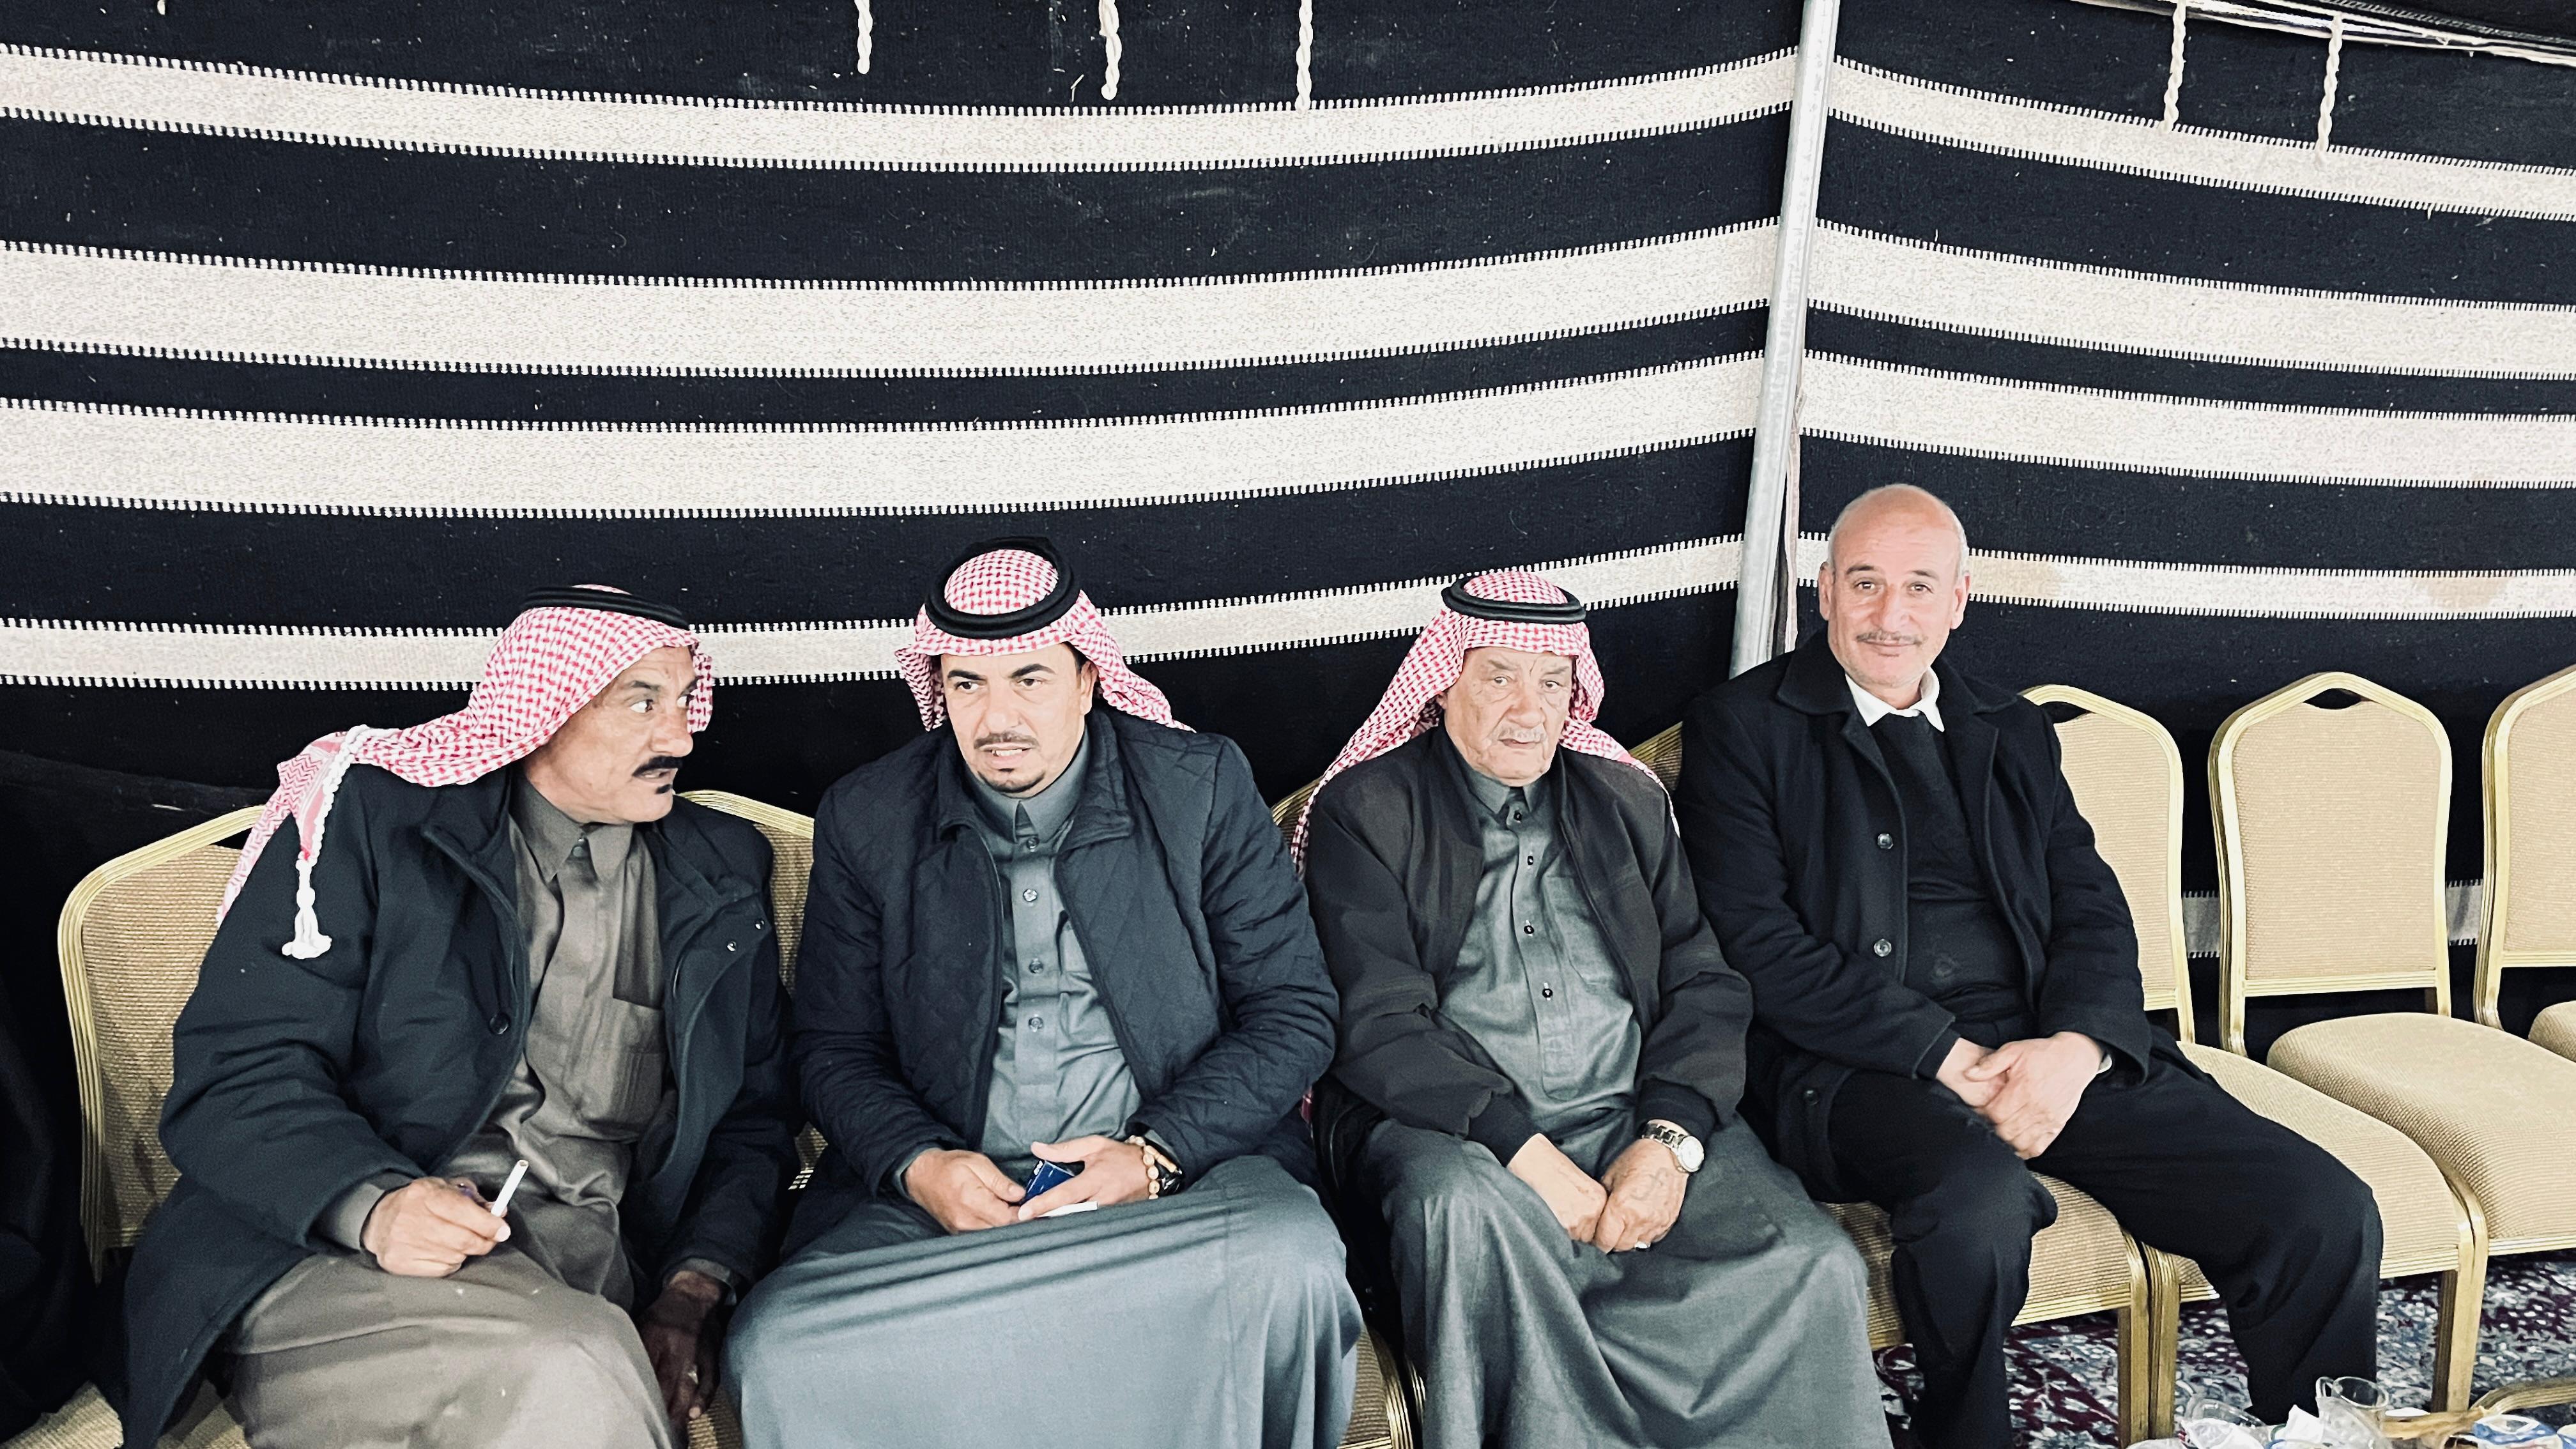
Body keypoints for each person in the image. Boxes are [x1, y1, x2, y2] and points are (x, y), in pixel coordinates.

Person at [1676, 485, 2384, 1449]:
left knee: (2320, 1208)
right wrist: (1946, 1056)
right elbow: (1755, 943)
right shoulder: (1741, 725)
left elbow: (2092, 907)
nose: (1891, 615)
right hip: (1857, 1062)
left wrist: (2078, 1049)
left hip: (2043, 1042)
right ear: (1825, 591)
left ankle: (2316, 1435)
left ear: (1958, 601)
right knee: (1977, 1206)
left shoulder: (2009, 726)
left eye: (1919, 587)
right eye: (1866, 584)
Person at [122, 585, 801, 1449]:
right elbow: (239, 1072)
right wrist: (373, 1204)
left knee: (581, 1355)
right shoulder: (379, 823)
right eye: (642, 703)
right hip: (334, 1256)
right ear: (545, 709)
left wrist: (694, 1288)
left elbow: (751, 1117)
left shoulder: (720, 868)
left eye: (684, 701)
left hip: (583, 1274)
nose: (681, 737)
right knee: (574, 1368)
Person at [726, 538, 1360, 1449]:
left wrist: (1155, 1155)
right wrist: (919, 1165)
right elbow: (834, 1048)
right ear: (939, 690)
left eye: (1029, 679)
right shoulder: (870, 817)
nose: (998, 718)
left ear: (1088, 680)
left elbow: (1294, 1012)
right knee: (781, 1347)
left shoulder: (1198, 788)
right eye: (968, 685)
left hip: (1177, 1188)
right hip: (951, 1204)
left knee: (1286, 1266)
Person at [1295, 569, 1886, 1449]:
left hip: (1632, 1112)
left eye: (1551, 682)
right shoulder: (1368, 808)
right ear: (1443, 683)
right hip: (1458, 1134)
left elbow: (1704, 982)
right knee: (1461, 1215)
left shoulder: (1626, 799)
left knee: (1811, 1263)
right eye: (1499, 677)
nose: (1528, 709)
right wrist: (1525, 1154)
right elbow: (1373, 1021)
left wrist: (1668, 1142)